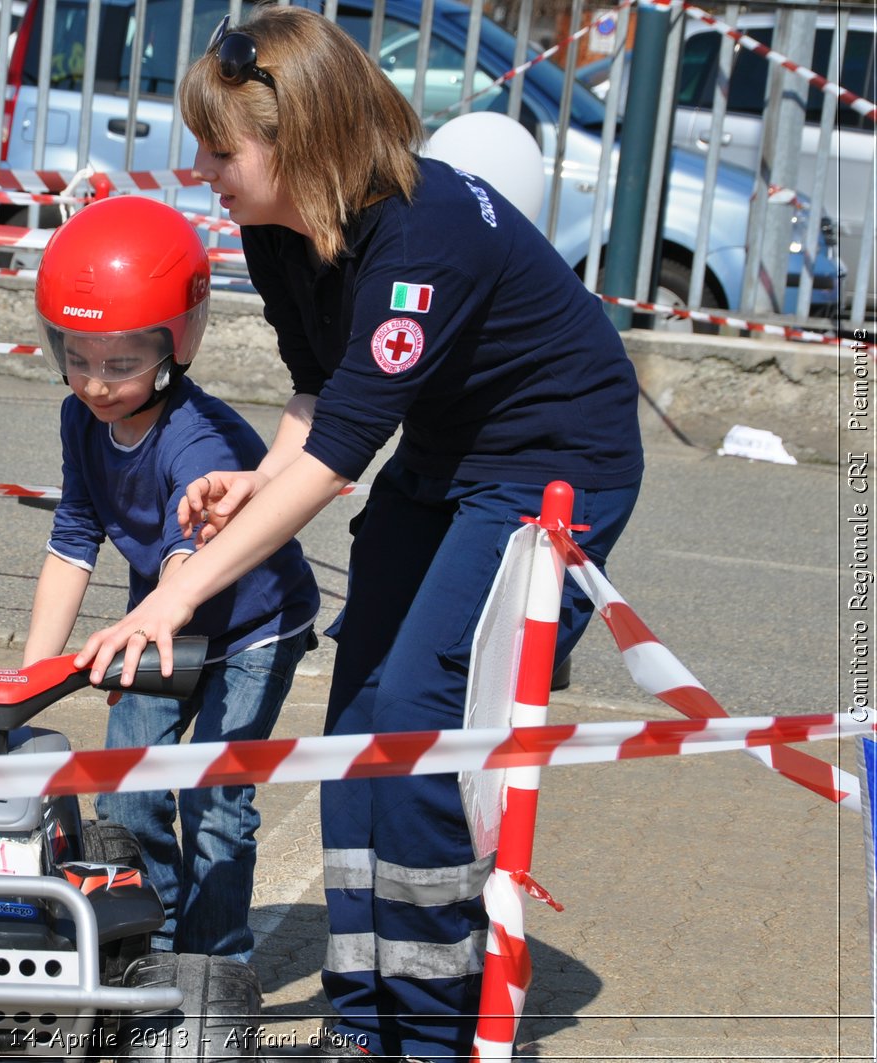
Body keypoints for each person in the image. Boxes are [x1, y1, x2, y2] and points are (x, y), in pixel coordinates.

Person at [73, 8, 644, 1062]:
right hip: (442, 462)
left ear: (293, 144)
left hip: (551, 471)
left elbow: (337, 461)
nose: (196, 168)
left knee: (423, 723)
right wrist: (251, 484)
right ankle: (362, 1017)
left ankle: (429, 1035)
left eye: (217, 148)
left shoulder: (421, 238)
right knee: (356, 726)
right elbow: (315, 399)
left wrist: (173, 592)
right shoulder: (278, 228)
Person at [23, 194, 320, 965]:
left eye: (120, 363)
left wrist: (154, 613)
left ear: (176, 343)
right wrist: (27, 682)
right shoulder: (79, 419)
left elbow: (191, 550)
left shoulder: (199, 435)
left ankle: (213, 965)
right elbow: (73, 540)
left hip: (253, 625)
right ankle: (145, 943)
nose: (95, 383)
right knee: (127, 786)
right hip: (158, 619)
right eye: (76, 355)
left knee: (215, 799)